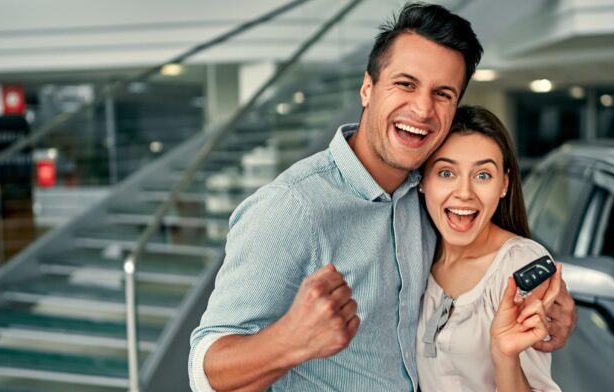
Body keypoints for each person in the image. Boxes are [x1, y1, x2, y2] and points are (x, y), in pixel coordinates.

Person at [189, 4, 575, 391]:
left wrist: (548, 317)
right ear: (367, 88)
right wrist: (288, 342)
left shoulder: (427, 194)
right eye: (405, 84)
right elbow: (205, 368)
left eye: (442, 93)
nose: (423, 109)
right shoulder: (292, 207)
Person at [416, 105, 560, 391]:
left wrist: (505, 355)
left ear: (504, 184)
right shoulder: (417, 254)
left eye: (483, 175)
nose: (465, 192)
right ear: (422, 180)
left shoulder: (520, 264)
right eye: (446, 173)